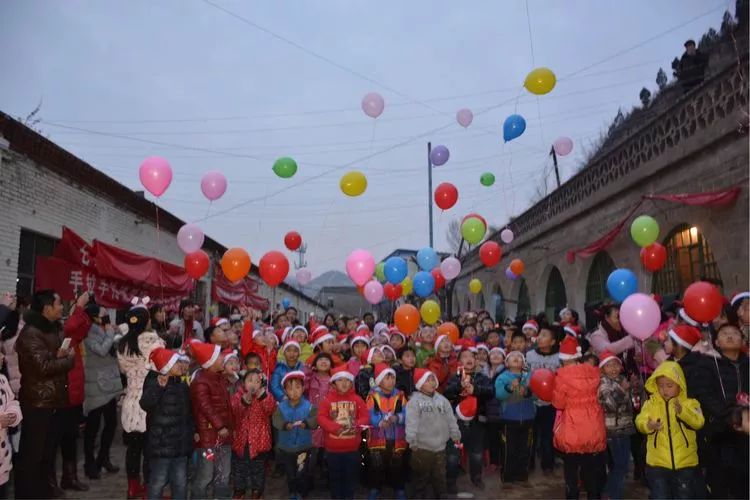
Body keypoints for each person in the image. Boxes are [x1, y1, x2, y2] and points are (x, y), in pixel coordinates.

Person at [15, 290, 75, 499]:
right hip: (37, 402)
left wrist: (58, 356)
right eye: (58, 304)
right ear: (47, 308)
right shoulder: (31, 333)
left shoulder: (53, 328)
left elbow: (49, 358)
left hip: (53, 400)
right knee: (32, 455)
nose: (61, 308)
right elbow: (42, 366)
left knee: (47, 454)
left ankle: (42, 492)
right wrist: (67, 360)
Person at [693, 322, 749, 498]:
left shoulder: (747, 364)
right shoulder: (707, 364)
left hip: (747, 431)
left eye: (735, 333)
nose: (730, 336)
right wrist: (729, 415)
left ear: (743, 341)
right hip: (719, 432)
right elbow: (704, 394)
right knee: (720, 484)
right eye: (725, 333)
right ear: (716, 342)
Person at [117, 297, 165, 499]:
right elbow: (161, 365)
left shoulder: (122, 344)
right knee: (149, 447)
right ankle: (148, 488)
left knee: (133, 447)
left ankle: (132, 487)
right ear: (146, 321)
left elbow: (123, 370)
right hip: (149, 399)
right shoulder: (154, 342)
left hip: (131, 399)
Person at [635, 361, 705, 498]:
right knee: (660, 495)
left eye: (669, 385)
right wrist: (648, 425)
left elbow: (699, 422)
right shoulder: (650, 404)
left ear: (680, 385)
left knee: (684, 496)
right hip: (657, 463)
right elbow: (639, 421)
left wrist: (683, 412)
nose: (664, 390)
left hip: (685, 463)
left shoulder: (690, 403)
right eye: (660, 386)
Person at [553, 335, 607, 500]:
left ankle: (572, 496)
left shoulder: (562, 376)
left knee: (571, 470)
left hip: (573, 427)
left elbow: (558, 403)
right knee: (591, 469)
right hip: (594, 425)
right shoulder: (593, 371)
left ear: (563, 359)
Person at [140, 348, 193, 500]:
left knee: (180, 482)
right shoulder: (155, 382)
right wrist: (159, 387)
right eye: (176, 363)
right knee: (158, 482)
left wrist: (191, 433)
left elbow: (188, 414)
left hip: (180, 446)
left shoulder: (182, 386)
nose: (181, 366)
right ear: (167, 366)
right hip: (162, 445)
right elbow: (145, 403)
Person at [405, 368, 461, 499]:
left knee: (440, 475)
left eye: (432, 379)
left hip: (440, 447)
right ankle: (418, 495)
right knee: (421, 476)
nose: (431, 383)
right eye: (427, 380)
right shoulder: (414, 402)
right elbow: (411, 422)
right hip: (421, 447)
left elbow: (451, 419)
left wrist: (455, 434)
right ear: (420, 383)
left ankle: (441, 494)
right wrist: (412, 440)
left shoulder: (442, 400)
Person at [444, 347, 494, 490]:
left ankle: (476, 478)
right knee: (453, 455)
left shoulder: (483, 378)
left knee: (477, 453)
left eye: (472, 356)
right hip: (457, 423)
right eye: (465, 357)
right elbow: (447, 393)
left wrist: (475, 389)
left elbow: (491, 393)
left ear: (476, 360)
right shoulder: (455, 377)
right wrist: (459, 386)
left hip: (477, 422)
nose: (469, 359)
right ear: (459, 361)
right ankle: (450, 481)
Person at [58, 292, 94, 492]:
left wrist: (81, 309)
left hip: (75, 393)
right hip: (66, 394)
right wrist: (79, 306)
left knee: (71, 438)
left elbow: (84, 327)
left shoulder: (74, 336)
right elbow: (73, 326)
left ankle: (69, 477)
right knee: (65, 438)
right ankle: (66, 477)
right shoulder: (62, 330)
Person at [317, 364, 369, 500]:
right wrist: (333, 427)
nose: (344, 383)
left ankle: (348, 496)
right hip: (333, 450)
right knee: (335, 477)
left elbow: (365, 416)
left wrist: (355, 425)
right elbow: (321, 417)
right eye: (340, 380)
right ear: (333, 384)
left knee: (350, 477)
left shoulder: (357, 400)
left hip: (352, 449)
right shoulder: (327, 400)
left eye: (347, 380)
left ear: (351, 383)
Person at [83, 304, 122, 480]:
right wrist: (110, 333)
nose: (106, 316)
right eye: (103, 313)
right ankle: (89, 463)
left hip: (110, 384)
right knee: (93, 427)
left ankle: (103, 458)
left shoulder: (106, 329)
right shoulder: (89, 332)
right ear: (94, 317)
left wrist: (116, 334)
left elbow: (113, 349)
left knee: (111, 423)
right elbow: (101, 350)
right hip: (97, 385)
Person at [190, 341, 232, 499]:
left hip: (223, 435)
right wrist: (220, 425)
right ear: (210, 361)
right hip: (209, 437)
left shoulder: (220, 378)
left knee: (223, 473)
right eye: (219, 356)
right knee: (206, 474)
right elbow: (206, 407)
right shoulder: (201, 381)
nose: (223, 358)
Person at [231, 369, 276, 499]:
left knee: (258, 468)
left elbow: (271, 408)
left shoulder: (266, 396)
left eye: (257, 381)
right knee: (239, 468)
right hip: (241, 440)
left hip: (259, 440)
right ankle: (239, 490)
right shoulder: (238, 396)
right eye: (250, 380)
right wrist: (244, 401)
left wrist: (263, 396)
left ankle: (257, 491)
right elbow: (234, 411)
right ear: (243, 383)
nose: (253, 384)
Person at [273, 370, 318, 500]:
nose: (294, 391)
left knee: (302, 472)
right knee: (290, 473)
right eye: (290, 389)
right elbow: (276, 420)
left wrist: (307, 423)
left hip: (304, 447)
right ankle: (293, 492)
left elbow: (316, 419)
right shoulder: (281, 407)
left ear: (303, 388)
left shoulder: (309, 406)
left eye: (298, 387)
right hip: (286, 448)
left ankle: (301, 493)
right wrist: (285, 425)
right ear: (285, 391)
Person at [366, 363, 408, 500]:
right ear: (379, 380)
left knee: (397, 466)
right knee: (377, 467)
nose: (391, 381)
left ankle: (399, 490)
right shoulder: (372, 396)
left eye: (393, 378)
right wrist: (379, 422)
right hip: (378, 438)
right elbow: (369, 414)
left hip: (397, 438)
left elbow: (407, 413)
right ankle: (375, 489)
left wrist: (398, 418)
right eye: (387, 378)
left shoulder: (400, 396)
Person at [597, 350, 634, 500]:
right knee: (620, 466)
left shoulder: (622, 379)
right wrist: (622, 389)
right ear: (602, 369)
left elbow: (629, 403)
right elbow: (610, 404)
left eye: (616, 364)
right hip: (614, 431)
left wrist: (635, 387)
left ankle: (608, 493)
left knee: (623, 466)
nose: (613, 368)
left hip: (625, 428)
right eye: (608, 365)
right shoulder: (603, 383)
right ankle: (613, 495)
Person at [495, 350, 535, 483]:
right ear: (506, 363)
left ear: (524, 362)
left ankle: (522, 475)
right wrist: (509, 388)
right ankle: (507, 477)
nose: (516, 357)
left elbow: (537, 394)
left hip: (528, 419)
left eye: (519, 356)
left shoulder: (530, 377)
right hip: (509, 419)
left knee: (525, 449)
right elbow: (499, 395)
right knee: (509, 449)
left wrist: (528, 392)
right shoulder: (502, 377)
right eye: (512, 356)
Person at [525, 324, 560, 474]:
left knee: (547, 435)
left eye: (544, 335)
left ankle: (548, 464)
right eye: (539, 334)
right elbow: (525, 374)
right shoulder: (529, 355)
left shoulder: (559, 358)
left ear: (553, 341)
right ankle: (528, 463)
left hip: (550, 403)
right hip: (532, 401)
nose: (539, 337)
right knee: (530, 435)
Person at [0, 337, 21, 498]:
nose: (3, 357)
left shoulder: (2, 380)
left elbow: (13, 402)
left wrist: (12, 416)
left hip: (3, 460)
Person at [306, 353, 332, 482]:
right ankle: (308, 478)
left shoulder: (334, 380)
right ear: (315, 364)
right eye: (320, 359)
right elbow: (302, 385)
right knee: (312, 450)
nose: (323, 361)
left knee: (327, 451)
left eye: (327, 359)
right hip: (313, 418)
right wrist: (308, 371)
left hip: (329, 418)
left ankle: (326, 477)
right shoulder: (310, 378)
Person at [484, 347, 506, 473]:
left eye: (499, 353)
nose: (496, 355)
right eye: (492, 353)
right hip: (488, 412)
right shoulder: (483, 373)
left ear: (504, 359)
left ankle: (504, 461)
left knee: (503, 438)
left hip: (502, 411)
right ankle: (494, 462)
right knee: (492, 438)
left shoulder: (506, 372)